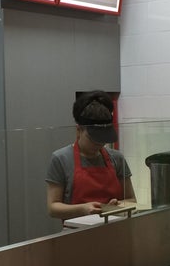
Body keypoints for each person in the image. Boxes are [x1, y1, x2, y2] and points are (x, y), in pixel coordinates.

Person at [46, 91, 135, 221]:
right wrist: (82, 209)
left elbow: (131, 199)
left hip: (114, 227)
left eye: (102, 139)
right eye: (93, 139)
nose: (99, 144)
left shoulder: (117, 158)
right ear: (78, 130)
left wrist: (117, 206)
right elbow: (53, 208)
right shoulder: (61, 159)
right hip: (78, 231)